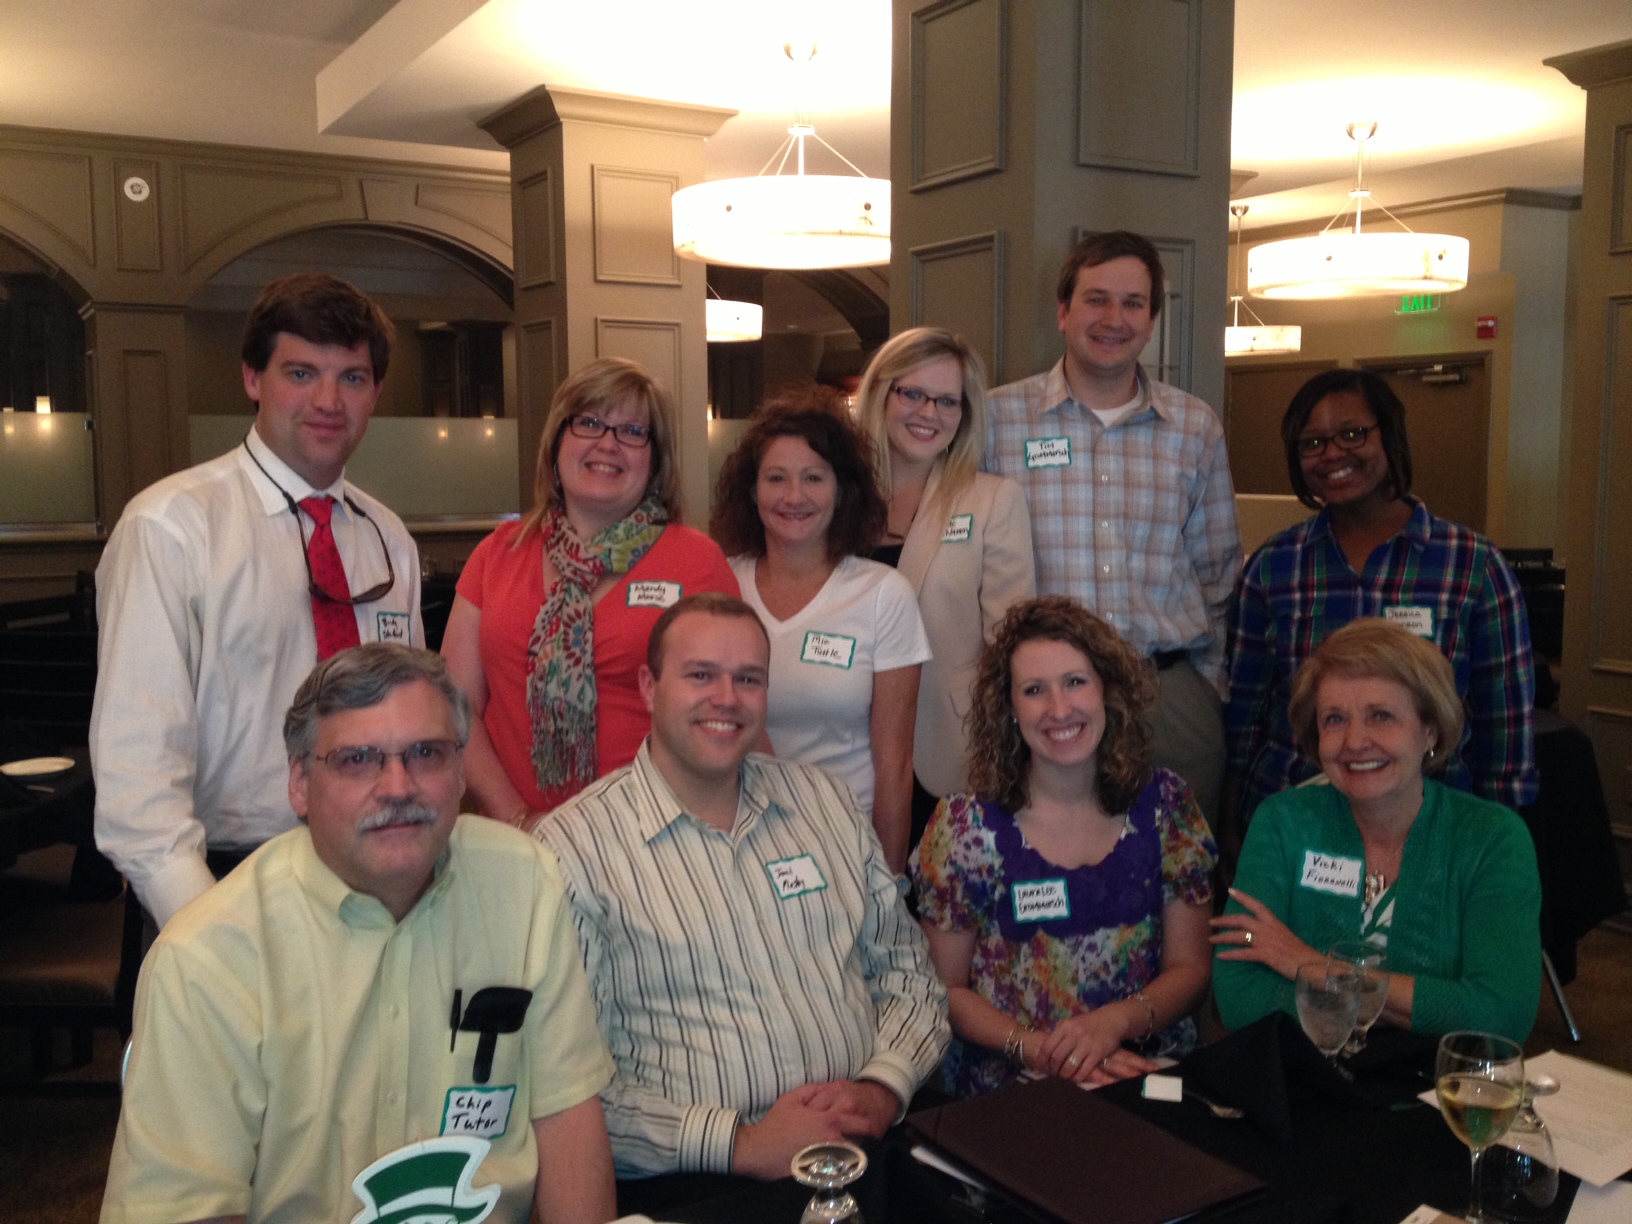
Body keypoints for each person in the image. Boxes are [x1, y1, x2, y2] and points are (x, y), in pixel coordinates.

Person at [102, 645, 617, 1224]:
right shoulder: (206, 958)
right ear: (299, 783)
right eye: (357, 760)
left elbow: (567, 1118)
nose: (398, 786)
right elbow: (187, 1211)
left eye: (426, 753)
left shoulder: (524, 884)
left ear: (461, 769)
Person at [537, 593, 949, 1197]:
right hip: (702, 1184)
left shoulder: (825, 804)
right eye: (700, 675)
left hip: (866, 1148)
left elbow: (910, 976)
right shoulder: (575, 849)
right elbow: (566, 1092)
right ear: (649, 687)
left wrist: (883, 1087)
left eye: (748, 679)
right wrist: (741, 1143)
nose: (726, 699)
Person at [91, 272, 423, 930]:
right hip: (217, 879)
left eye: (352, 378)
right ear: (252, 379)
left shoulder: (388, 539)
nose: (328, 400)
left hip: (368, 871)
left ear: (375, 392)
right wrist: (207, 930)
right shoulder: (172, 527)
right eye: (300, 373)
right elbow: (138, 772)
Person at [984, 231, 1241, 830]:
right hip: (1042, 700)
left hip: (1167, 697)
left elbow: (1219, 571)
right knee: (1046, 869)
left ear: (1152, 321)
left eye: (1132, 303)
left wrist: (1206, 687)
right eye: (1096, 299)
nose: (1113, 319)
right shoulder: (997, 420)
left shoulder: (1194, 426)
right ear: (1063, 311)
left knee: (1177, 875)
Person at [912, 596, 1216, 1099]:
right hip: (1015, 1086)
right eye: (1034, 690)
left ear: (1107, 691)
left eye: (1075, 682)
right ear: (1009, 709)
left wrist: (1111, 1026)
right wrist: (1039, 1049)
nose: (1059, 709)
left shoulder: (1167, 807)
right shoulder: (966, 828)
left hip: (1139, 1072)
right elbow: (945, 988)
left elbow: (1191, 971)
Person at [1225, 368, 1537, 829]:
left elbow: (1506, 729)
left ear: (1389, 436)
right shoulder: (1275, 566)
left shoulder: (1472, 565)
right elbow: (1244, 717)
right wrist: (1235, 827)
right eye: (1312, 443)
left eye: (1352, 434)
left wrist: (1498, 842)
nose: (1332, 454)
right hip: (1292, 826)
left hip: (1431, 826)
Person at [1211, 619, 1541, 1045]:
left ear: (1430, 730)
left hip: (1436, 1088)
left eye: (1381, 716)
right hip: (1304, 1081)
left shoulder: (1493, 840)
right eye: (1334, 719)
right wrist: (1418, 1006)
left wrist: (1309, 965)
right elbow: (1239, 998)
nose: (1354, 741)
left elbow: (1499, 1016)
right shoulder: (1282, 822)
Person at [442, 358, 737, 828]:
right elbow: (455, 707)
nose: (608, 443)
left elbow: (728, 709)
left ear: (655, 458)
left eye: (632, 431)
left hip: (653, 836)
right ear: (557, 442)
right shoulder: (498, 553)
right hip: (515, 838)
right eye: (590, 423)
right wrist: (519, 817)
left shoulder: (698, 563)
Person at [711, 390, 931, 872]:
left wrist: (888, 882)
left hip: (843, 848)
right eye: (776, 478)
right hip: (731, 845)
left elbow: (894, 766)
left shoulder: (883, 595)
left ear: (842, 489)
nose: (794, 497)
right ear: (752, 490)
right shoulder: (719, 583)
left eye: (813, 478)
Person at [855, 327, 1035, 851]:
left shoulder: (993, 501)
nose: (928, 412)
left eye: (947, 401)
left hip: (943, 753)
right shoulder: (831, 496)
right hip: (837, 748)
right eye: (912, 393)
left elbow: (1011, 645)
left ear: (965, 414)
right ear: (880, 394)